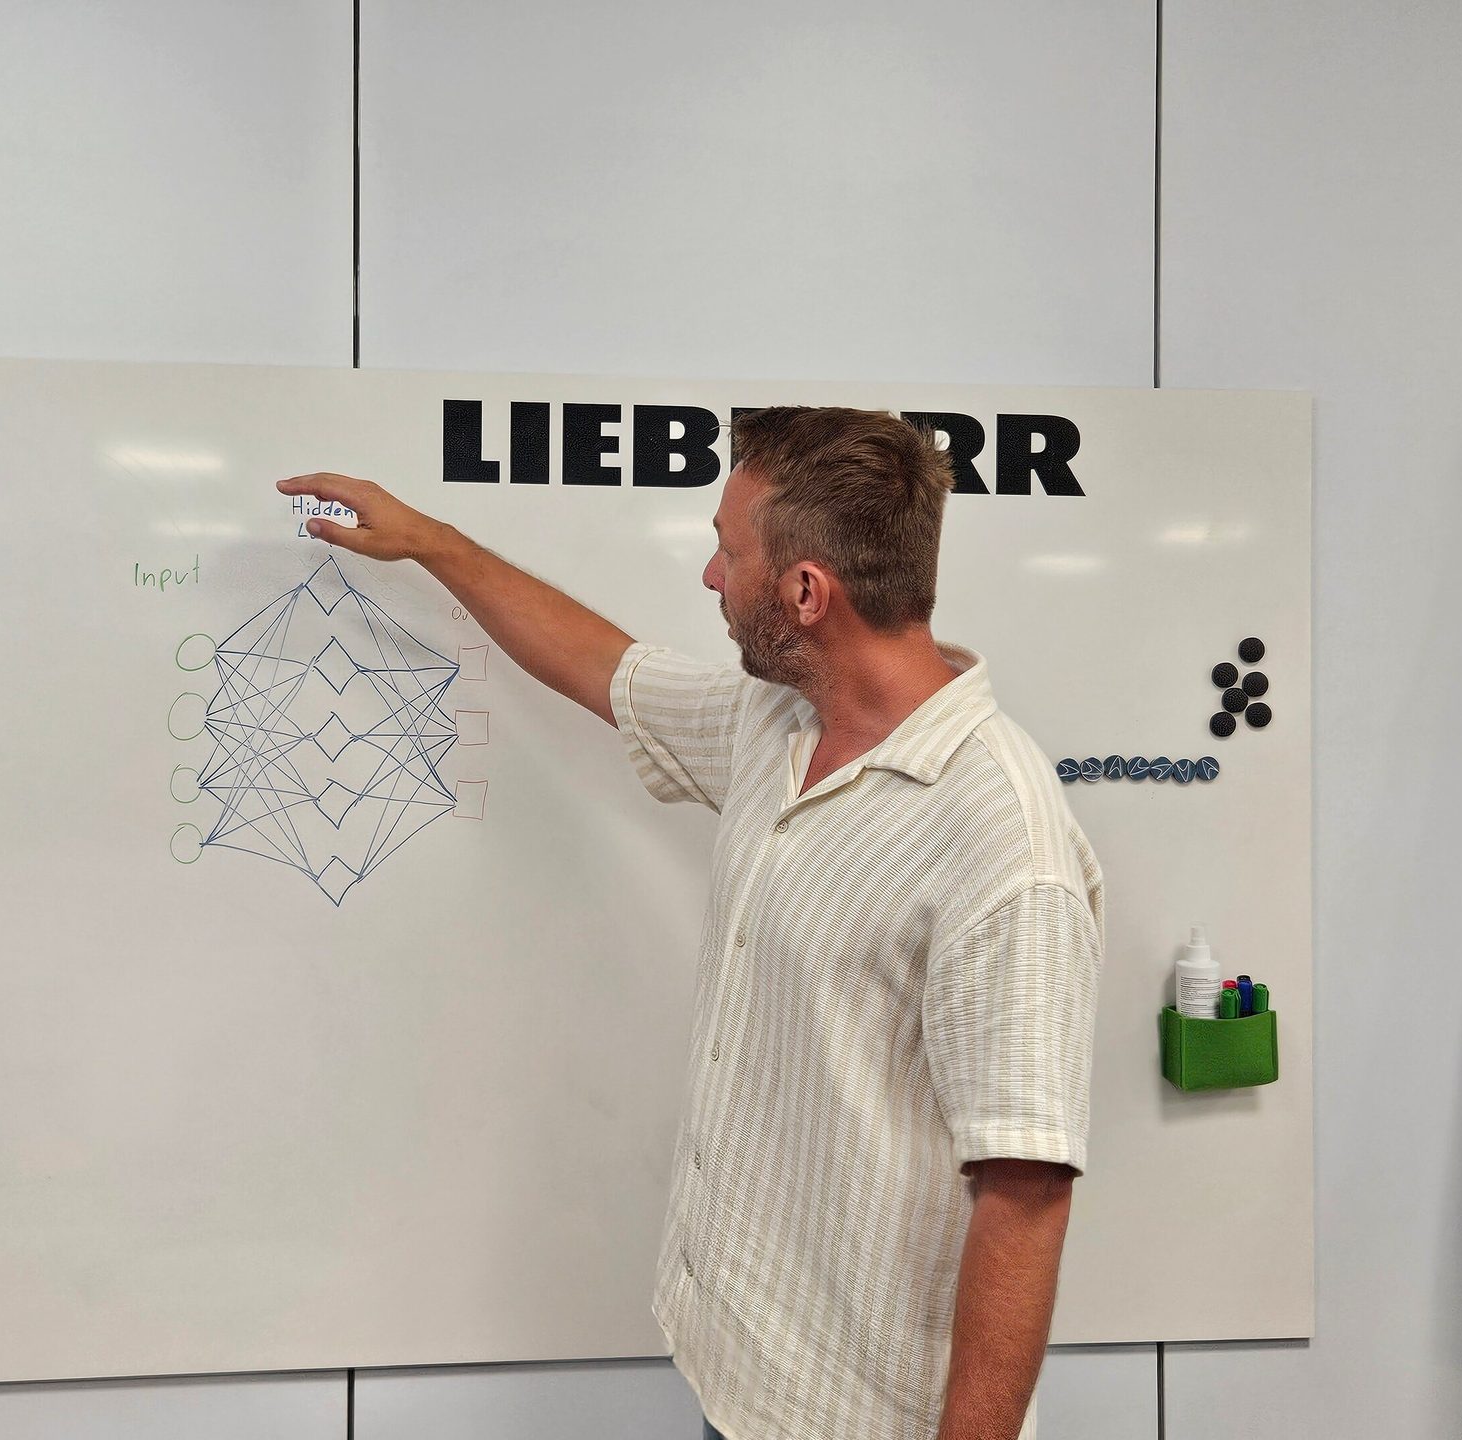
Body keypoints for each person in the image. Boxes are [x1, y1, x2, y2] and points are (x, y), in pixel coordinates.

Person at [277, 405, 1102, 1440]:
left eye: (729, 551)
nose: (713, 578)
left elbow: (1024, 1195)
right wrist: (432, 543)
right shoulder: (782, 723)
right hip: (739, 1374)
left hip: (857, 1419)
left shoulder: (999, 841)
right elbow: (604, 669)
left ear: (806, 593)